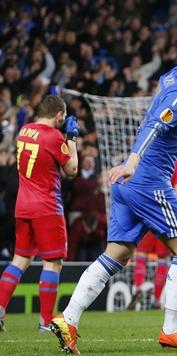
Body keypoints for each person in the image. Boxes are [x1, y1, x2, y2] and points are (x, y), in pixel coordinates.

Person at [49, 18, 177, 354]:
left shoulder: (173, 75)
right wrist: (132, 161)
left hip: (129, 186)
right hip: (147, 180)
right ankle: (171, 330)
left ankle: (68, 318)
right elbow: (156, 127)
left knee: (116, 254)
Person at [0, 95, 79, 332]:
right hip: (46, 207)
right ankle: (45, 322)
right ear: (58, 116)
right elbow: (72, 170)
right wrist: (72, 139)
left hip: (23, 205)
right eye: (63, 117)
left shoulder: (24, 130)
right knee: (52, 263)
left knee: (20, 260)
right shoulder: (54, 137)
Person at [128, 159, 177, 310]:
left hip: (147, 214)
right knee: (163, 258)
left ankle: (138, 287)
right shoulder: (176, 165)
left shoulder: (148, 161)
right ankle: (156, 299)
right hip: (165, 217)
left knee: (141, 254)